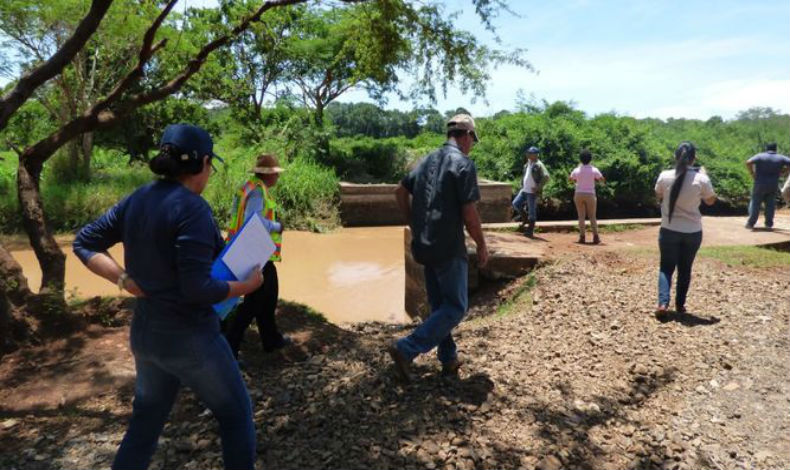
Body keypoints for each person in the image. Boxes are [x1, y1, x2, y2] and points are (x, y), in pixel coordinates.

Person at [73, 124, 263, 470]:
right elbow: (198, 289)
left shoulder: (138, 198)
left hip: (146, 335)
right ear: (204, 163)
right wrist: (246, 287)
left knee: (145, 423)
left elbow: (84, 242)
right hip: (191, 337)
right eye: (211, 166)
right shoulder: (194, 209)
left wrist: (122, 278)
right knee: (236, 416)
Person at [390, 113, 489, 382]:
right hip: (448, 247)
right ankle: (406, 348)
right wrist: (481, 244)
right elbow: (469, 213)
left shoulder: (426, 161)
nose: (471, 145)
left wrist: (412, 221)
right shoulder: (464, 164)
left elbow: (400, 192)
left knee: (439, 308)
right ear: (467, 135)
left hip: (424, 246)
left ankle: (448, 359)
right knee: (455, 307)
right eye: (472, 139)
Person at [224, 154, 292, 357]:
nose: (277, 178)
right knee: (254, 303)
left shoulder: (250, 187)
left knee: (269, 296)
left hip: (251, 250)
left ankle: (271, 339)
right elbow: (252, 220)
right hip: (253, 252)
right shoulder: (258, 193)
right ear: (268, 175)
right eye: (276, 174)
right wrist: (277, 226)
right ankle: (230, 347)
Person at [654, 141, 716, 316]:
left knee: (666, 267)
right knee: (685, 268)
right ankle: (680, 305)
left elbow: (658, 194)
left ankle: (662, 304)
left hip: (668, 229)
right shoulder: (701, 178)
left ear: (675, 157)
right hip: (693, 231)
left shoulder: (664, 175)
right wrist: (704, 175)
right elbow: (710, 201)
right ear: (694, 158)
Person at [745, 142, 790, 230]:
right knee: (770, 205)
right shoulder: (780, 158)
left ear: (766, 148)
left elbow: (748, 162)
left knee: (755, 203)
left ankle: (751, 223)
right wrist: (784, 172)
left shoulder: (760, 156)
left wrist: (752, 173)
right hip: (773, 185)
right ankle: (768, 225)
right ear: (775, 149)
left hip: (759, 183)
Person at [569, 149, 605, 244]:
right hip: (590, 194)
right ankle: (596, 237)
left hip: (579, 193)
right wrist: (596, 180)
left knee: (581, 216)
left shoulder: (577, 170)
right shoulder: (594, 169)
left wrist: (577, 181)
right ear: (590, 159)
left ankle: (582, 237)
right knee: (592, 216)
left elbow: (570, 179)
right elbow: (601, 179)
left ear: (580, 159)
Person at [512, 146, 550, 237]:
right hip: (524, 190)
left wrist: (538, 187)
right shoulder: (527, 164)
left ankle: (530, 230)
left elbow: (546, 177)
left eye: (530, 153)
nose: (528, 154)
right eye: (528, 153)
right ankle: (525, 219)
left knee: (532, 211)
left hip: (532, 192)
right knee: (515, 203)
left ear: (536, 155)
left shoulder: (539, 164)